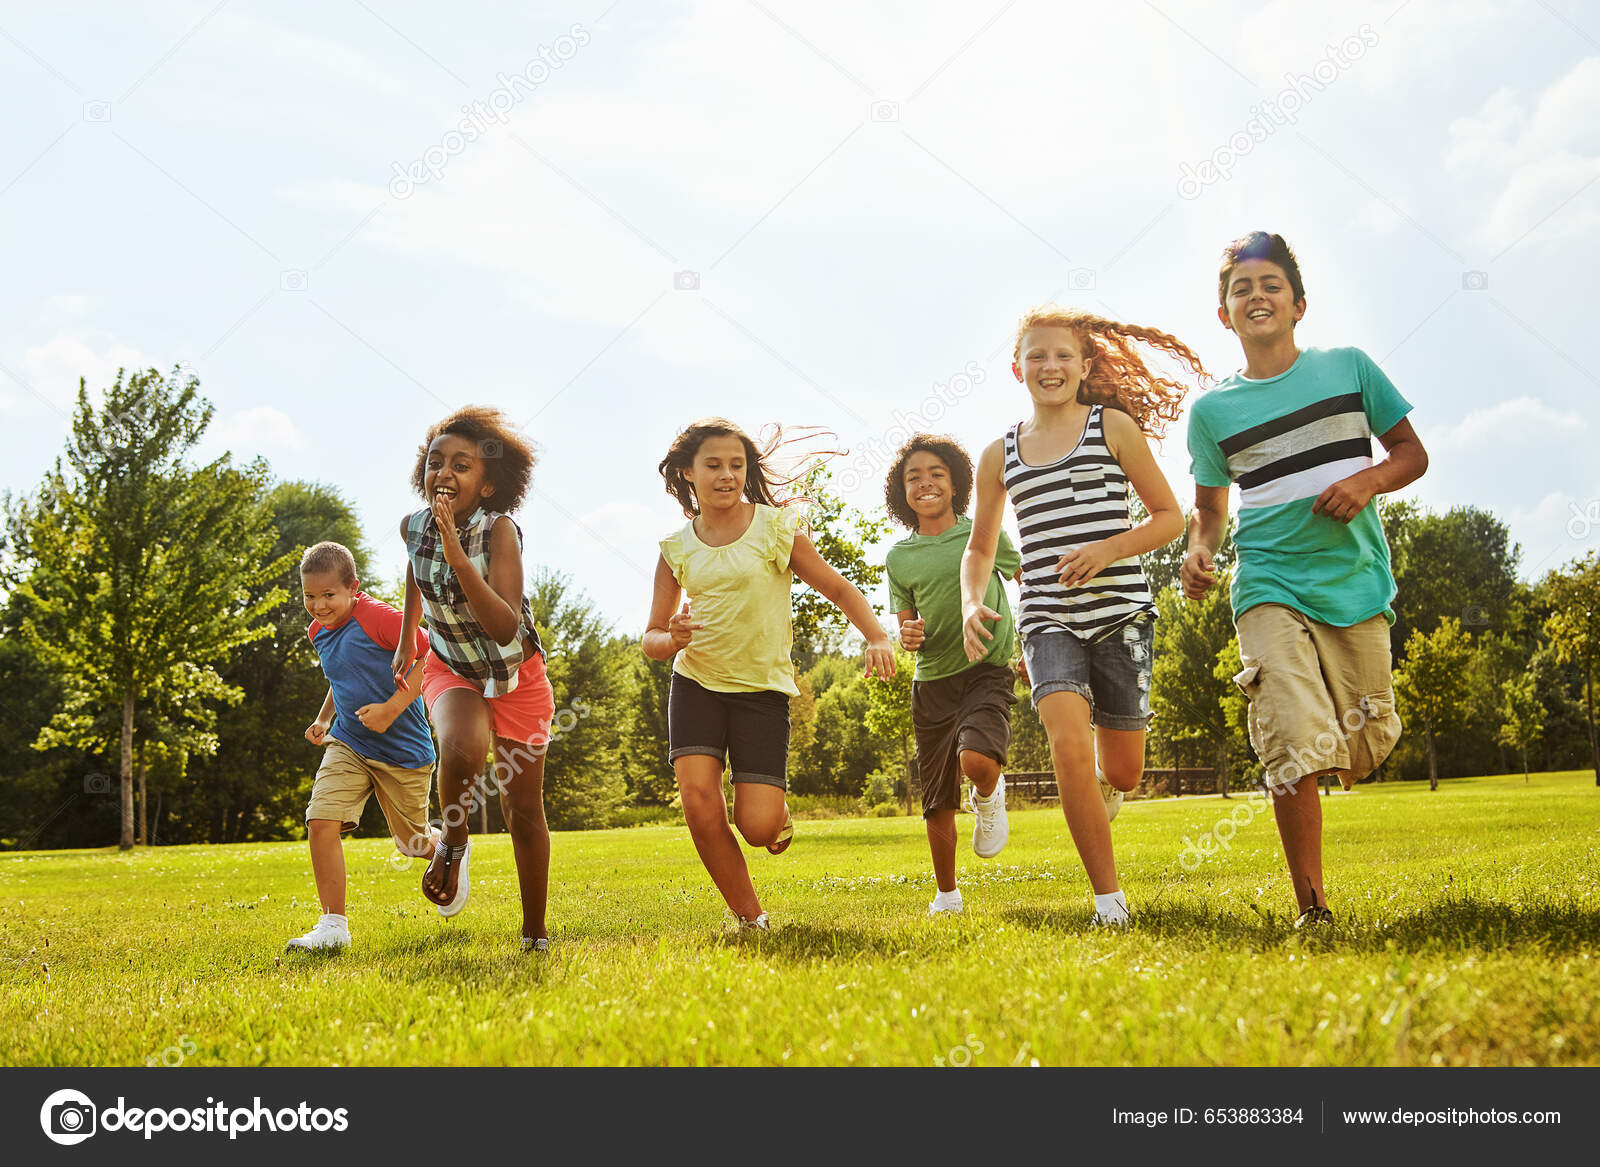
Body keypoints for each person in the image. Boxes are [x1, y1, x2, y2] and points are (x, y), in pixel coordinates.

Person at [1182, 231, 1427, 927]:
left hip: (1352, 579)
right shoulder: (1213, 412)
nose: (1256, 296)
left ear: (1299, 303)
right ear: (1224, 314)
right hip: (1266, 579)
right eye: (1241, 289)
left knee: (1364, 740)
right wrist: (1200, 551)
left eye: (1270, 285)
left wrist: (1367, 480)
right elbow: (1208, 510)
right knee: (1291, 736)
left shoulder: (1348, 368)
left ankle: (1349, 748)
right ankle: (1312, 906)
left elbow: (1411, 453)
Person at [962, 307, 1202, 927]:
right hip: (1047, 618)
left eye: (1064, 355)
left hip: (1122, 616)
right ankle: (1108, 901)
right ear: (1017, 368)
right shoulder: (999, 454)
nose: (1050, 366)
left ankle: (1110, 783)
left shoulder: (1112, 428)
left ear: (1085, 366)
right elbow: (980, 547)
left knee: (1122, 767)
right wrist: (971, 600)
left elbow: (1169, 518)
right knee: (1067, 744)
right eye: (1036, 356)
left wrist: (1106, 549)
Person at [643, 418, 896, 931]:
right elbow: (650, 639)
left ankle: (775, 816)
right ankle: (749, 917)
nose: (726, 475)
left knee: (756, 826)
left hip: (760, 691)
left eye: (736, 465)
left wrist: (876, 636)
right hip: (696, 684)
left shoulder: (775, 528)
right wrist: (673, 638)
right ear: (688, 473)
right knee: (697, 798)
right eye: (713, 465)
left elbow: (841, 589)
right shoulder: (676, 549)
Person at [396, 407, 557, 953]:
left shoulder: (500, 532)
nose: (444, 472)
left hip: (516, 673)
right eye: (435, 462)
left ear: (486, 484)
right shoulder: (414, 527)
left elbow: (504, 623)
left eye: (460, 464)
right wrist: (406, 638)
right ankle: (454, 843)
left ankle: (534, 932)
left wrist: (458, 554)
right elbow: (417, 576)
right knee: (462, 746)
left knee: (523, 811)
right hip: (450, 663)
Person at [884, 434, 1021, 916]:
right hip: (932, 681)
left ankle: (989, 793)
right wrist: (908, 635)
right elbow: (905, 622)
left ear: (957, 481)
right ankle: (947, 893)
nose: (925, 483)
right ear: (901, 491)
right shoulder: (899, 558)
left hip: (986, 666)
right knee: (936, 797)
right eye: (913, 477)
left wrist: (1036, 639)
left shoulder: (981, 533)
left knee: (977, 762)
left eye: (936, 473)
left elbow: (1025, 579)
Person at [287, 541, 436, 951]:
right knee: (321, 820)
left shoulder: (380, 618)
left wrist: (391, 709)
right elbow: (341, 676)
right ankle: (333, 927)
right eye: (309, 597)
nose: (318, 606)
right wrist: (324, 718)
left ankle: (448, 847)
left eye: (328, 595)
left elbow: (433, 658)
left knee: (412, 845)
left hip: (403, 750)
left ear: (353, 587)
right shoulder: (319, 631)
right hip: (349, 743)